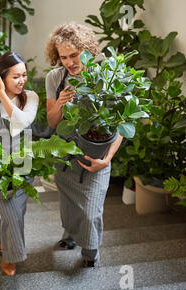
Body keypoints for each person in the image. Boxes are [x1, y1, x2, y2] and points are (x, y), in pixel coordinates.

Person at [44, 23, 123, 267]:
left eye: (74, 55)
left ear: (87, 50)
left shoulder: (104, 78)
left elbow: (120, 127)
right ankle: (69, 235)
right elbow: (53, 122)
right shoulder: (55, 78)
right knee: (68, 203)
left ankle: (90, 251)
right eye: (63, 57)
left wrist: (106, 160)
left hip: (96, 157)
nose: (69, 62)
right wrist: (59, 103)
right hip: (66, 155)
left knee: (91, 209)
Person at [0, 52, 39, 275]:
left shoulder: (30, 97)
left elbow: (21, 123)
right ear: (0, 77)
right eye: (16, 76)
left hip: (23, 165)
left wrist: (1, 93)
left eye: (24, 75)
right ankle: (10, 257)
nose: (22, 81)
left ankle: (2, 244)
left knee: (16, 212)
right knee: (12, 214)